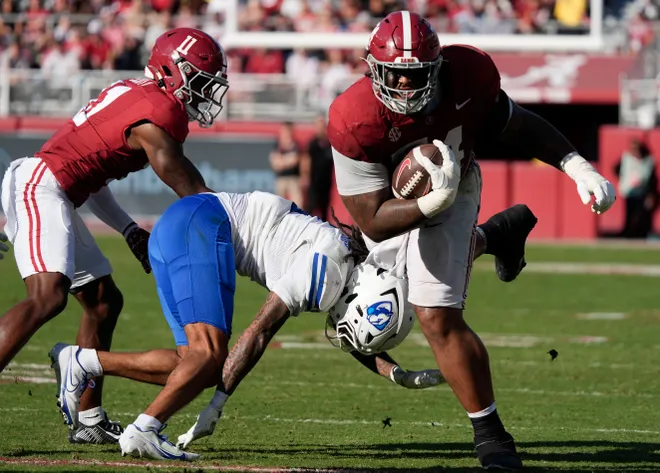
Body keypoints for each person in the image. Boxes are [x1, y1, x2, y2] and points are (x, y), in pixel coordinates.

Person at [327, 11, 616, 470]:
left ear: (437, 69)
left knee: (434, 314)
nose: (405, 87)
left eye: (416, 75)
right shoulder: (353, 116)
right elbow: (374, 219)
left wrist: (576, 165)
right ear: (373, 69)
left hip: (456, 186)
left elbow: (519, 124)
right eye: (395, 75)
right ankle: (499, 233)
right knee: (385, 302)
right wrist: (426, 202)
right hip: (387, 204)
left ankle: (492, 436)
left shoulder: (468, 77)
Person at [49, 188, 536, 460]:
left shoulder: (353, 271)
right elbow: (258, 331)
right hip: (203, 226)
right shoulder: (323, 273)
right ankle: (144, 428)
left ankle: (83, 361)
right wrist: (218, 402)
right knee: (208, 360)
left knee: (189, 365)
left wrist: (393, 372)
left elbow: (354, 326)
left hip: (185, 224)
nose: (341, 329)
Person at [0, 27, 229, 444]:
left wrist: (127, 229)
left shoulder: (140, 96)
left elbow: (91, 179)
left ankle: (88, 419)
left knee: (104, 301)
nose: (204, 93)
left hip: (57, 189)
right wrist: (239, 220)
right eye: (199, 80)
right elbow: (191, 190)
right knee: (47, 296)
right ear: (172, 70)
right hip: (39, 184)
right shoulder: (158, 114)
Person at [615, 139, 658, 239]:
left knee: (641, 215)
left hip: (642, 192)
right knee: (629, 214)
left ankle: (641, 234)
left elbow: (652, 179)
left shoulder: (648, 161)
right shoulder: (626, 158)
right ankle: (628, 234)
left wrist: (650, 193)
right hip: (629, 192)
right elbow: (617, 169)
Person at [304, 113, 334, 221]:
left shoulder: (329, 144)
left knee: (324, 209)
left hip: (326, 182)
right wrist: (305, 176)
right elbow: (306, 160)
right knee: (310, 208)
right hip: (314, 182)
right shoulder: (312, 144)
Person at [270, 121, 304, 206]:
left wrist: (282, 161)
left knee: (298, 204)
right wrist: (287, 160)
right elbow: (275, 163)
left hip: (293, 178)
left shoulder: (295, 145)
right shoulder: (277, 145)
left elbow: (294, 160)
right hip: (281, 179)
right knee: (278, 205)